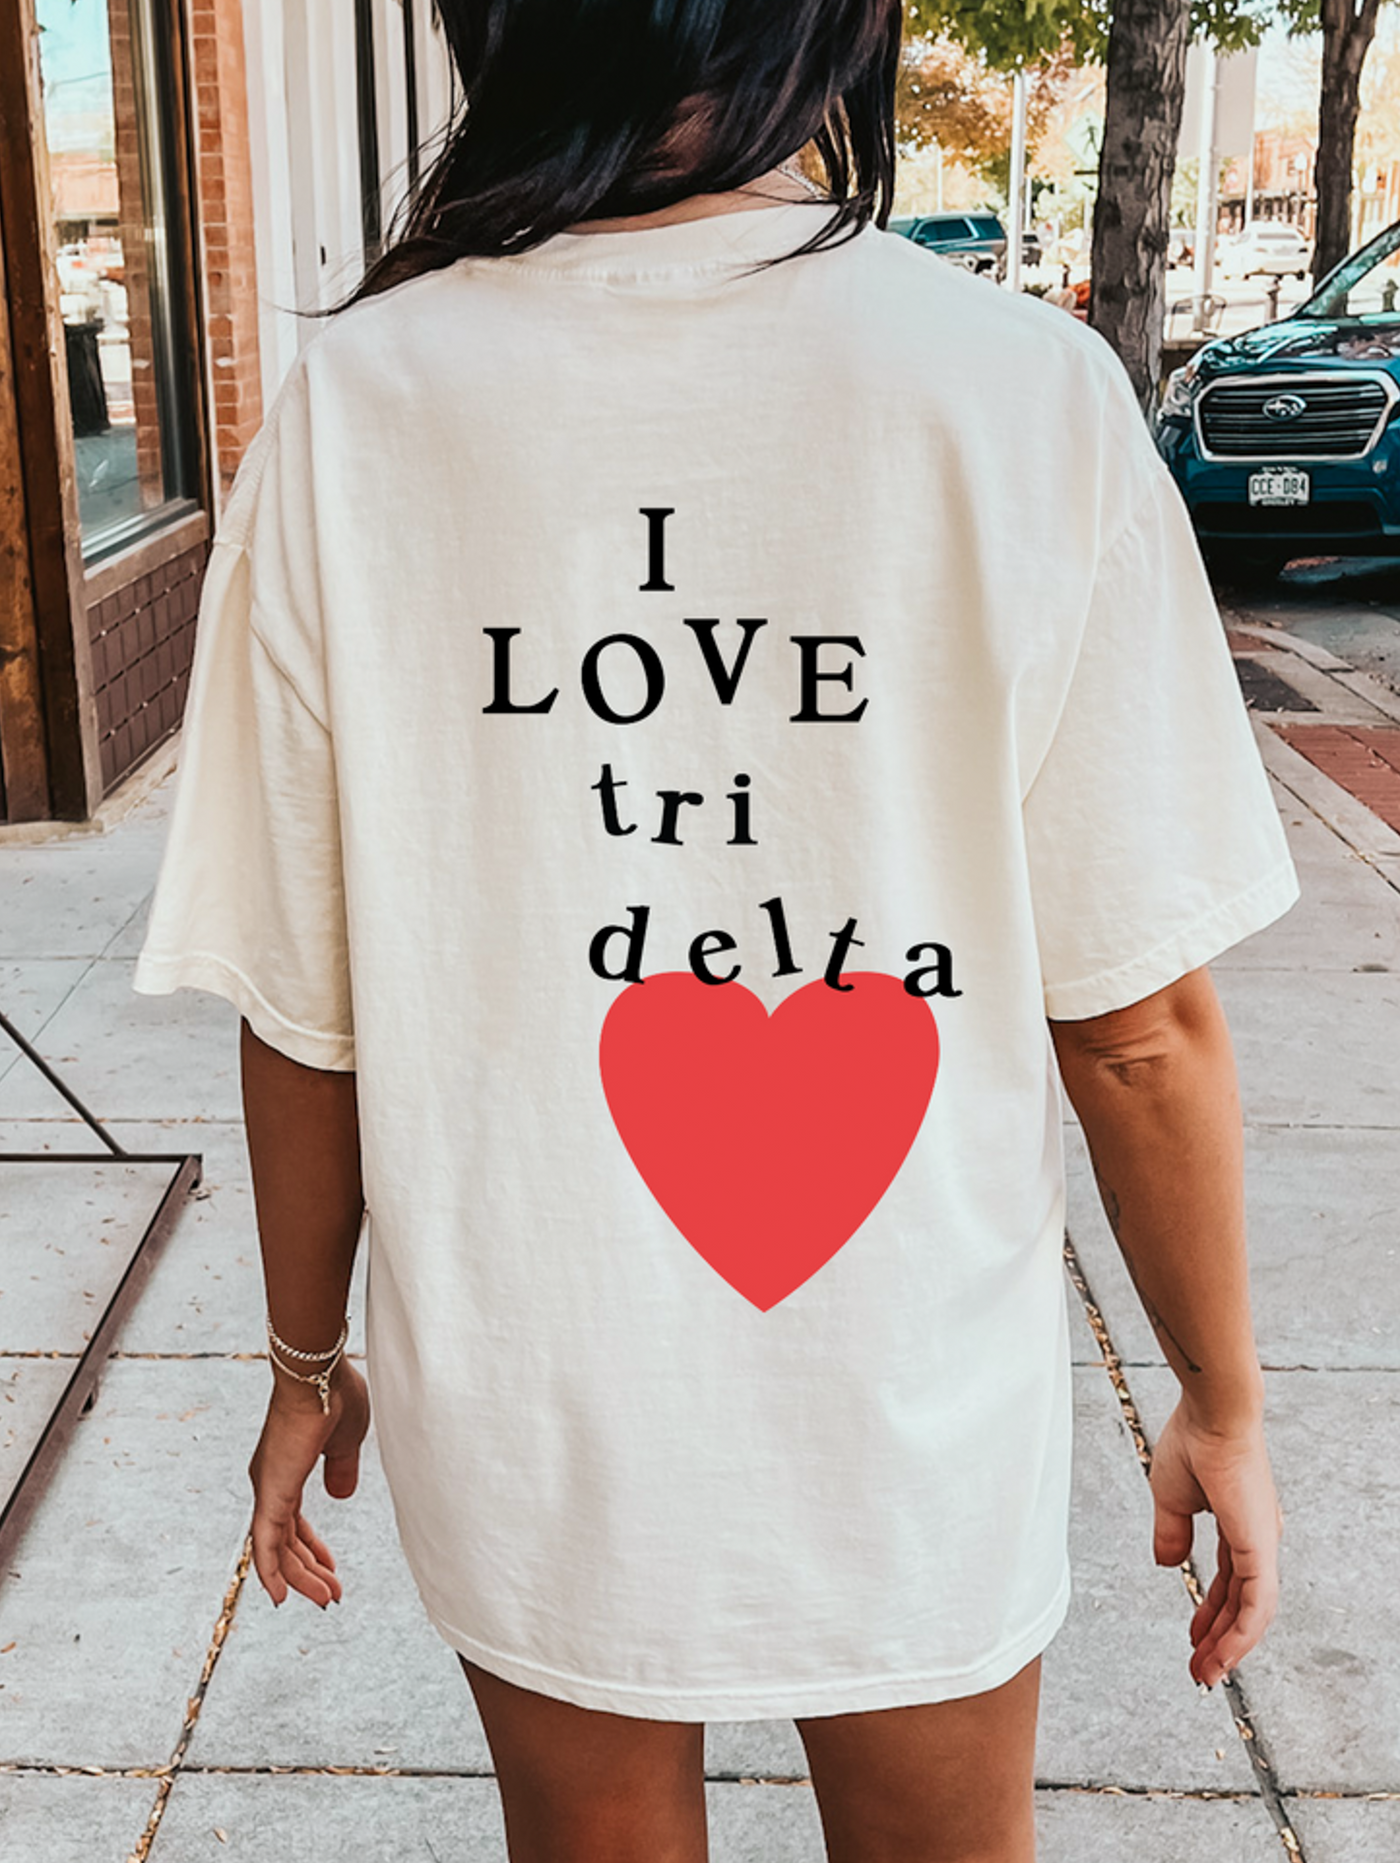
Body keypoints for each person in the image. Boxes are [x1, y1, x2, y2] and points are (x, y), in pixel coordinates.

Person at [132, 3, 1299, 1858]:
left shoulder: (358, 410)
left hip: (536, 1388)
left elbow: (307, 1010)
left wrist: (300, 1359)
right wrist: (1219, 1394)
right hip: (910, 1397)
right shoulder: (1021, 394)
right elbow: (1137, 1026)